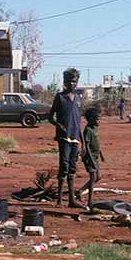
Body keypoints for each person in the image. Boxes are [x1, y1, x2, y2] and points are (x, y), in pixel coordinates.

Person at [46, 68, 85, 209]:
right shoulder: (60, 97)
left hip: (75, 137)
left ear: (77, 82)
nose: (71, 84)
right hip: (64, 138)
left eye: (74, 81)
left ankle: (71, 199)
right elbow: (50, 117)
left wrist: (83, 142)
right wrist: (58, 125)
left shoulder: (79, 98)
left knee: (73, 168)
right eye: (68, 81)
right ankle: (59, 201)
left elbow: (78, 121)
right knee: (64, 166)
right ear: (64, 82)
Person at [79, 107, 104, 207]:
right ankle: (90, 201)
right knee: (93, 177)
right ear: (92, 119)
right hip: (89, 158)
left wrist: (101, 154)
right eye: (97, 119)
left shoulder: (94, 129)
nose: (99, 121)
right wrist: (92, 160)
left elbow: (97, 144)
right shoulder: (88, 130)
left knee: (98, 177)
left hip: (95, 157)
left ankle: (81, 190)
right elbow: (87, 146)